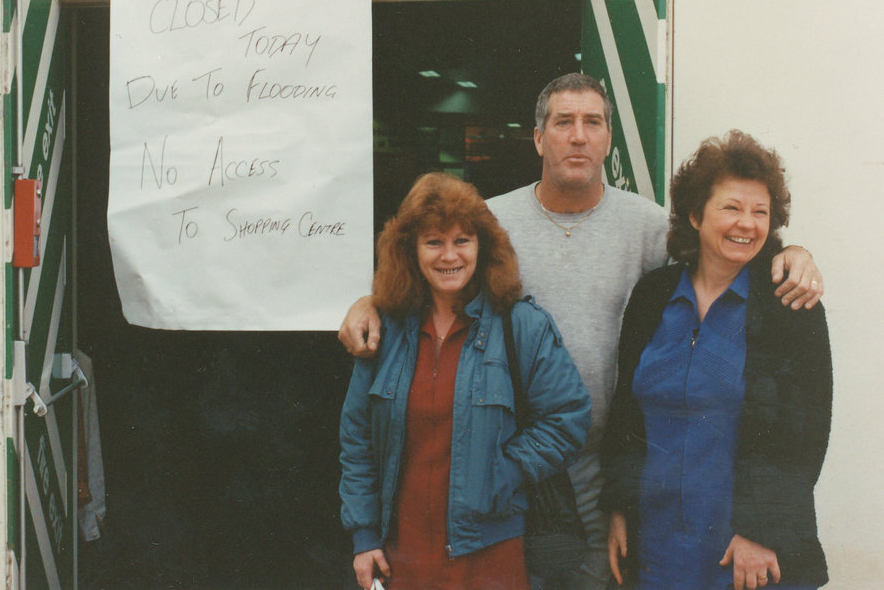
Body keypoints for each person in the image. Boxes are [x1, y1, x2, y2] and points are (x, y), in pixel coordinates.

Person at [338, 73, 825, 590]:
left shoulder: (649, 227)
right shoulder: (489, 222)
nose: (578, 135)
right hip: (520, 471)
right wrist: (372, 302)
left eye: (592, 122)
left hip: (605, 471)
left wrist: (790, 252)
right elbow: (432, 272)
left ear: (607, 139)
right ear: (538, 137)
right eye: (563, 122)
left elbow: (726, 245)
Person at [600, 131, 831, 590]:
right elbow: (626, 413)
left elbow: (804, 433)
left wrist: (761, 532)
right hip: (657, 547)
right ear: (695, 215)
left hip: (748, 555)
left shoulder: (789, 304)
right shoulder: (652, 297)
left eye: (760, 212)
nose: (746, 224)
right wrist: (620, 508)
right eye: (732, 208)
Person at [339, 172, 592, 590]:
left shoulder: (521, 325)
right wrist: (364, 536)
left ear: (483, 246)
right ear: (411, 250)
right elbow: (357, 438)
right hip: (401, 553)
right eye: (433, 241)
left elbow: (569, 417)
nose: (448, 255)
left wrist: (505, 470)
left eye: (462, 240)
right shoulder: (385, 330)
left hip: (493, 551)